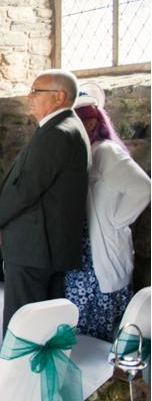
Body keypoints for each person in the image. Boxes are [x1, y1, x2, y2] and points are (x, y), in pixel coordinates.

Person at [0, 70, 90, 329]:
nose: (28, 97)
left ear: (59, 97)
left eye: (35, 91)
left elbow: (29, 187)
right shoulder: (61, 127)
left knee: (24, 324)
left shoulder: (59, 131)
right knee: (43, 323)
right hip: (44, 244)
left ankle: (19, 370)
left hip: (36, 247)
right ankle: (39, 370)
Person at [64, 92, 145, 340]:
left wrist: (117, 220)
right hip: (83, 254)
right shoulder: (85, 152)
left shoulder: (107, 152)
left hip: (99, 256)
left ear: (90, 123)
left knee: (96, 336)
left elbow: (143, 188)